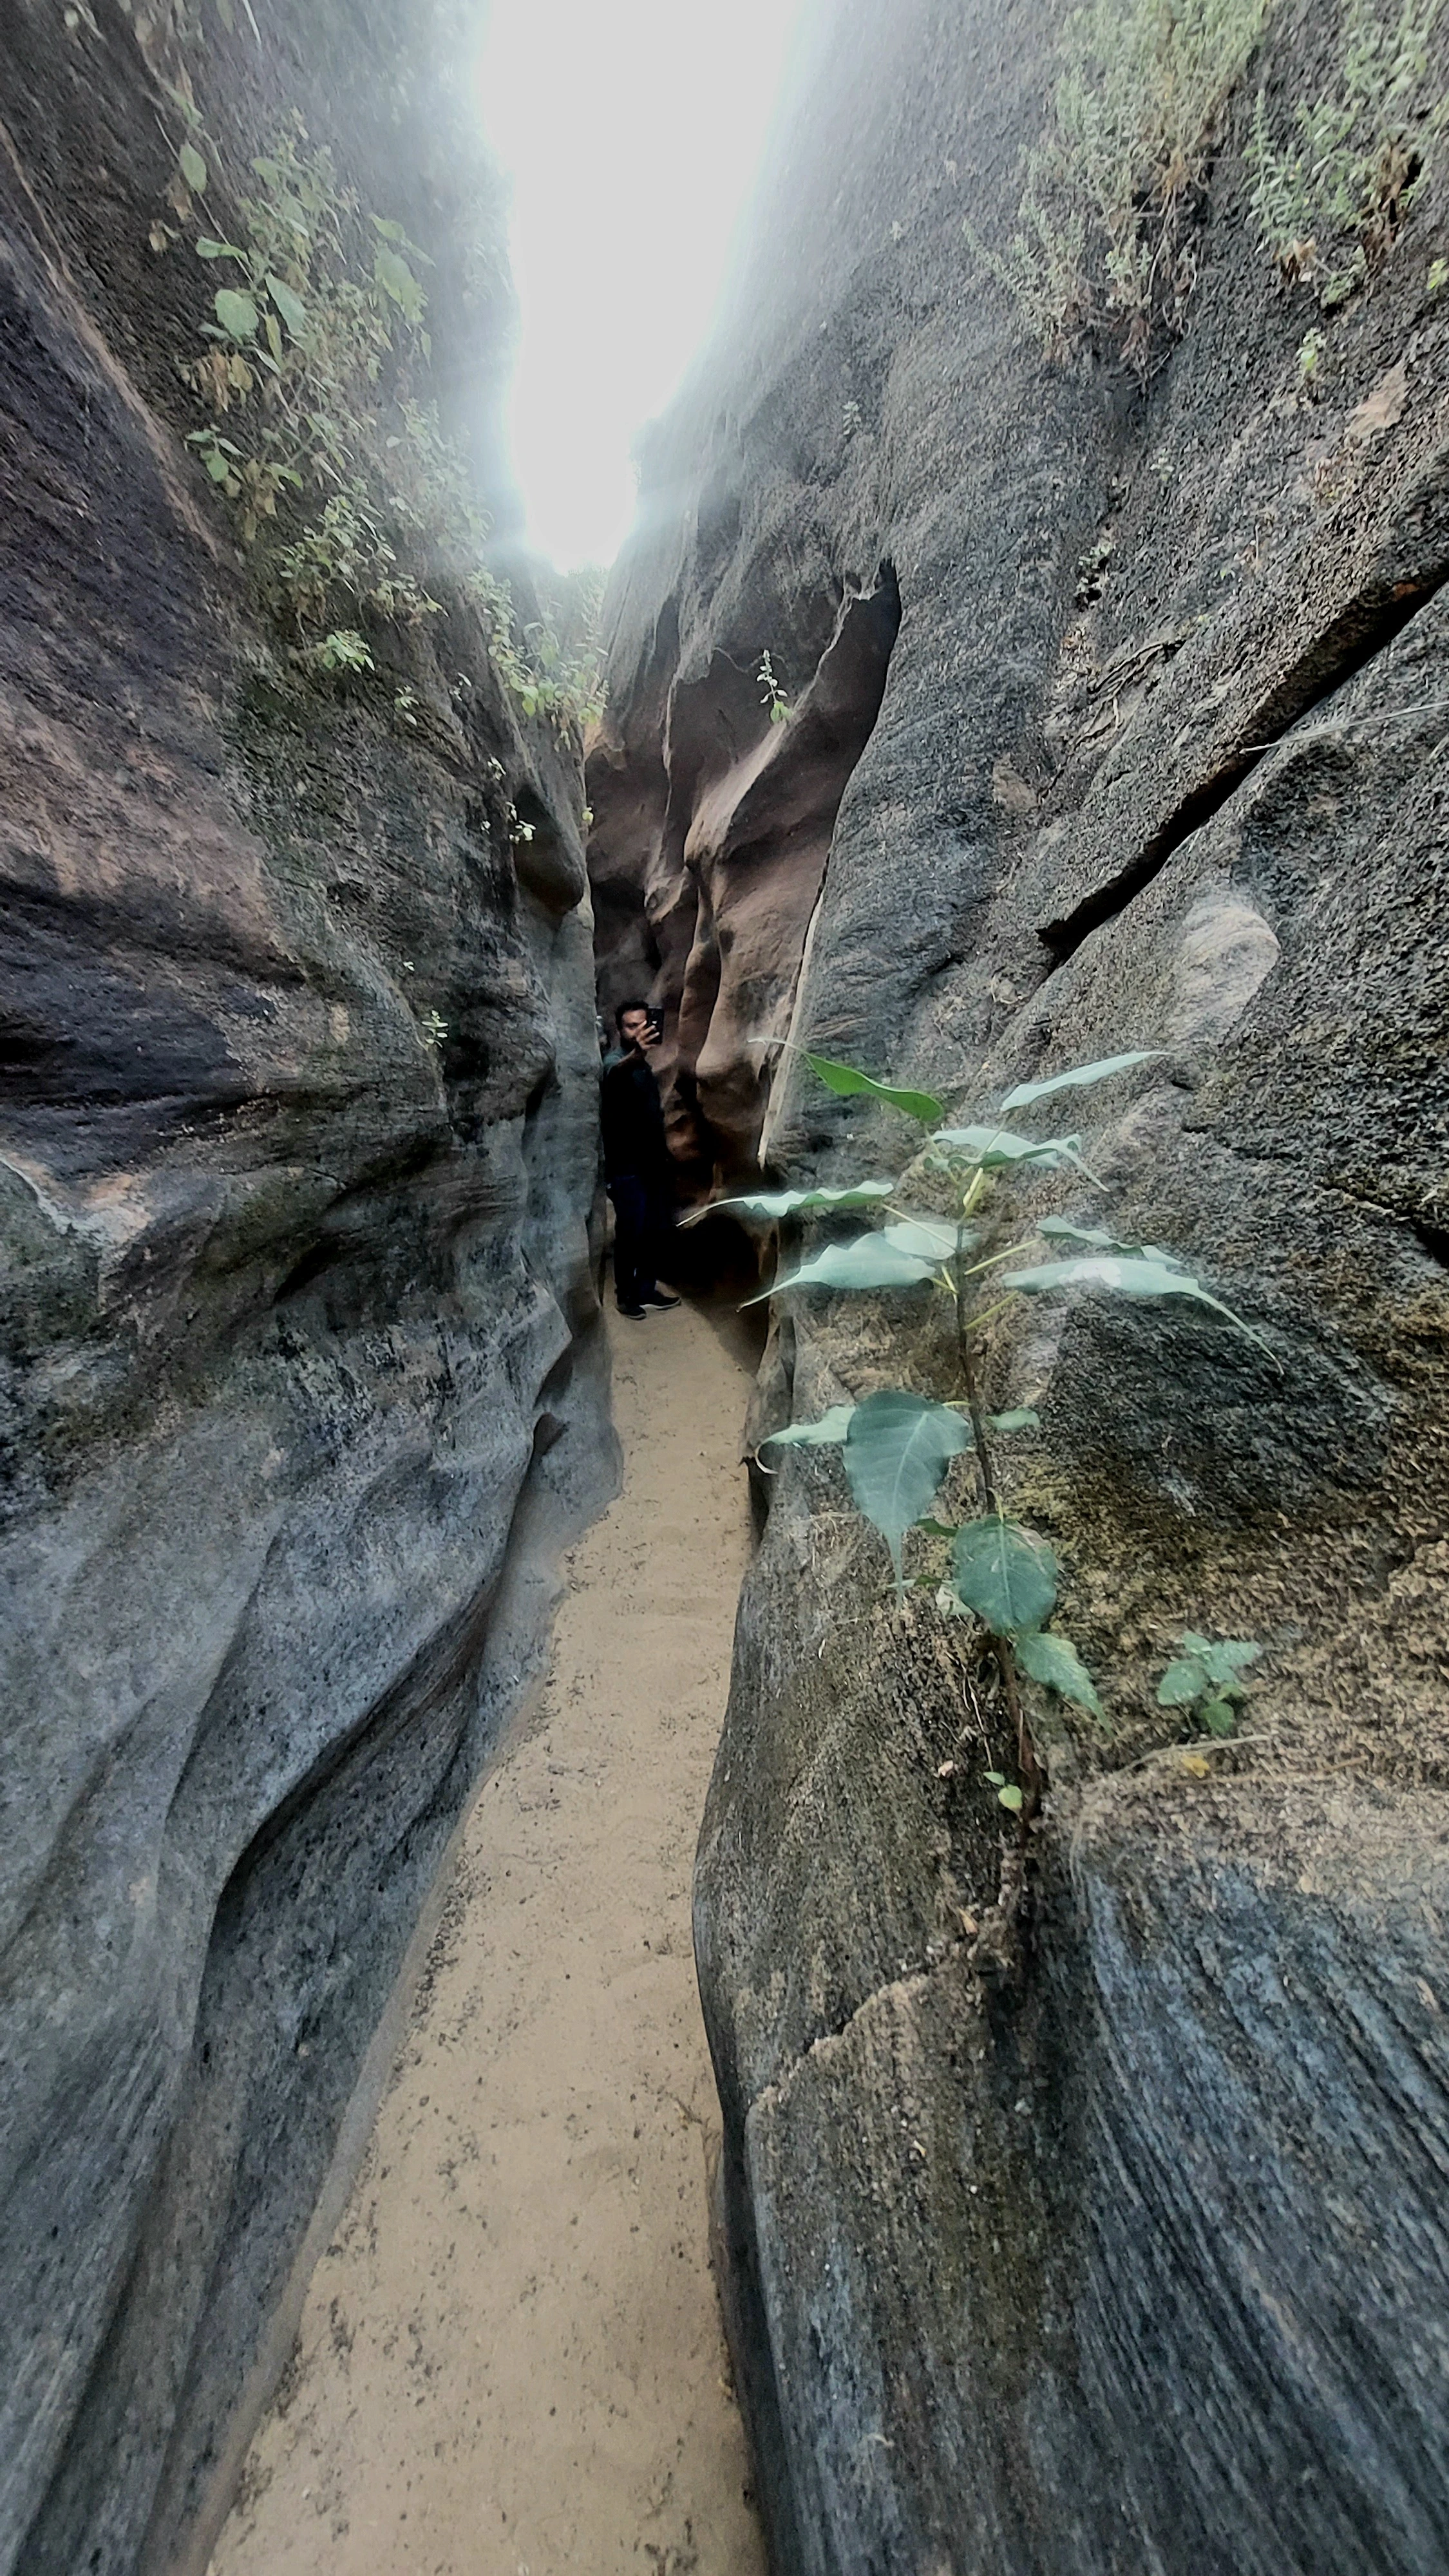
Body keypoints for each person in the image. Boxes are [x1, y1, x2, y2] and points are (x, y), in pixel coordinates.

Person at [601, 1001, 681, 1319]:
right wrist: (638, 1055)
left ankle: (646, 1290)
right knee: (630, 1233)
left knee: (654, 1230)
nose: (638, 1031)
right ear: (620, 1030)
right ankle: (625, 1296)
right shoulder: (616, 1062)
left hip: (652, 1165)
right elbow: (615, 1075)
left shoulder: (642, 1067)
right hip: (626, 1168)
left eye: (643, 1024)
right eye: (631, 1026)